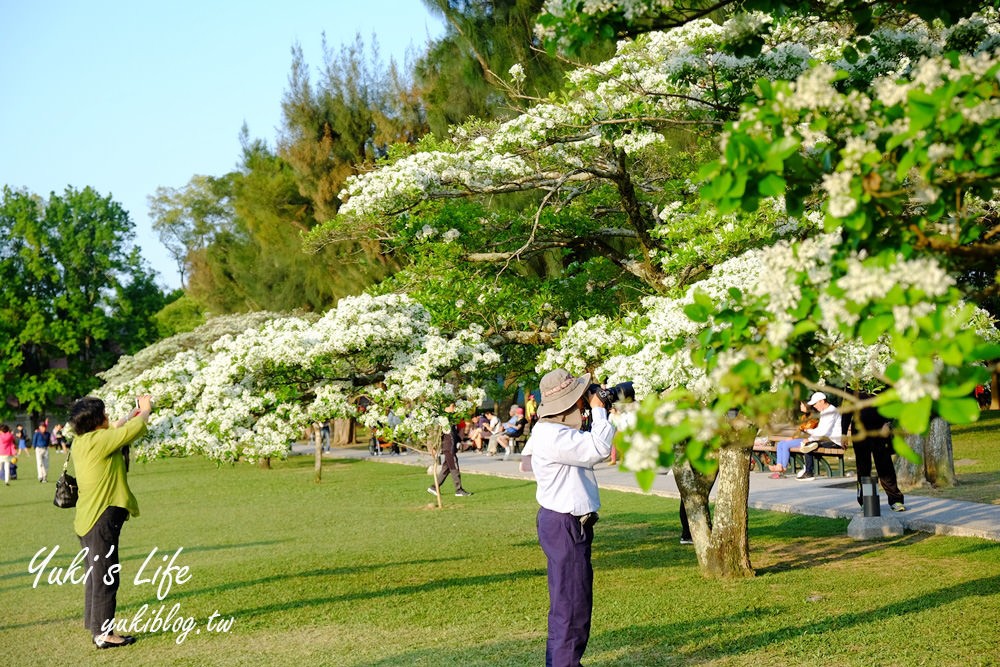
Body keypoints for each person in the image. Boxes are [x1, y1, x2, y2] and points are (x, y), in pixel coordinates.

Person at [528, 368, 615, 667]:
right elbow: (599, 448)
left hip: (563, 523)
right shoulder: (553, 435)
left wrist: (598, 409)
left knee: (568, 601)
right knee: (572, 605)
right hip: (565, 524)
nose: (584, 401)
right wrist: (600, 412)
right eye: (579, 397)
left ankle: (561, 663)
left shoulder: (555, 431)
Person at [70, 394, 152, 649]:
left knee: (95, 575)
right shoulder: (101, 441)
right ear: (97, 421)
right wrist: (146, 410)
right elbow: (133, 430)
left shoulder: (82, 440)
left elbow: (117, 427)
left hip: (87, 518)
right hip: (102, 518)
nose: (108, 417)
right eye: (104, 413)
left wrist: (131, 412)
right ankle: (104, 634)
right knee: (107, 576)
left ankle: (95, 627)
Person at [851, 392, 906, 512]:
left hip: (880, 430)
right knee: (863, 467)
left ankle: (896, 500)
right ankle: (865, 501)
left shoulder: (881, 379)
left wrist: (888, 422)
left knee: (885, 465)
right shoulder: (851, 382)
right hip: (859, 432)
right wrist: (843, 433)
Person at [796, 392, 844, 481]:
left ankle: (808, 472)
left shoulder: (831, 411)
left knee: (809, 445)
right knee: (809, 444)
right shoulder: (824, 411)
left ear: (822, 401)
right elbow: (820, 430)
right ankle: (807, 470)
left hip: (835, 441)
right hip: (827, 439)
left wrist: (810, 438)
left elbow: (823, 432)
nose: (814, 406)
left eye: (815, 403)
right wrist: (809, 432)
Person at [427, 405, 472, 497]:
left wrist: (460, 439)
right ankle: (458, 489)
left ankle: (434, 487)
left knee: (446, 468)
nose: (454, 408)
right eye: (452, 406)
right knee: (454, 466)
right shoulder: (442, 419)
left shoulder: (452, 418)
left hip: (452, 446)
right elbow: (434, 433)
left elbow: (456, 433)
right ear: (446, 408)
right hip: (448, 447)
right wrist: (433, 446)